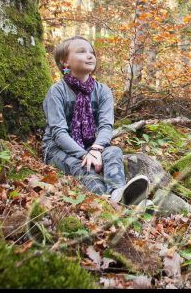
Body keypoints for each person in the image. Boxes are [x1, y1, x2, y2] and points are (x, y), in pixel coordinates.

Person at [42, 35, 149, 206]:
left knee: (113, 152)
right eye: (81, 51)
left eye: (91, 52)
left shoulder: (103, 91)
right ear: (65, 62)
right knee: (83, 167)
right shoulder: (57, 91)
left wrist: (97, 149)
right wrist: (85, 155)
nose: (90, 55)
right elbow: (58, 132)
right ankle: (109, 203)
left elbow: (106, 126)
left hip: (92, 146)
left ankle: (118, 192)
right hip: (58, 148)